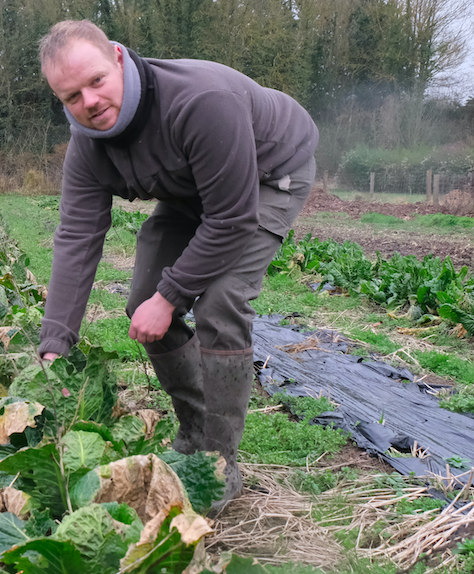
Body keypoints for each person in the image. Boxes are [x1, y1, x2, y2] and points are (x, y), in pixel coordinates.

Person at [37, 20, 318, 513]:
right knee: (140, 305)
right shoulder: (87, 148)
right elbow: (77, 238)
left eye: (97, 81)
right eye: (72, 96)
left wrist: (170, 298)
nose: (90, 102)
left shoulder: (201, 102)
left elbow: (232, 219)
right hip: (193, 190)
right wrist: (56, 342)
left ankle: (219, 463)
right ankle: (194, 431)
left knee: (221, 302)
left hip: (269, 175)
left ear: (118, 59)